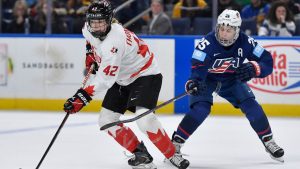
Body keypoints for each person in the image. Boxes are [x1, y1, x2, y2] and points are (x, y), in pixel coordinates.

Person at [63, 1, 189, 169]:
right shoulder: (88, 29)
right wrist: (91, 53)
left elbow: (105, 80)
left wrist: (82, 97)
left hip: (145, 74)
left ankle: (172, 154)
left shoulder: (114, 42)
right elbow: (90, 40)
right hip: (122, 77)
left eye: (101, 22)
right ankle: (140, 153)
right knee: (106, 120)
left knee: (145, 120)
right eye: (94, 22)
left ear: (109, 21)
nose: (97, 27)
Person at [171, 9, 285, 164]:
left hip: (232, 79)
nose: (224, 33)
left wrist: (254, 68)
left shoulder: (246, 42)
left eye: (229, 30)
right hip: (207, 80)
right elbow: (197, 69)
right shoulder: (207, 44)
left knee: (252, 106)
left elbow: (267, 61)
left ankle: (268, 140)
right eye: (222, 29)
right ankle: (175, 143)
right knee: (201, 109)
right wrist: (194, 82)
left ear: (237, 31)